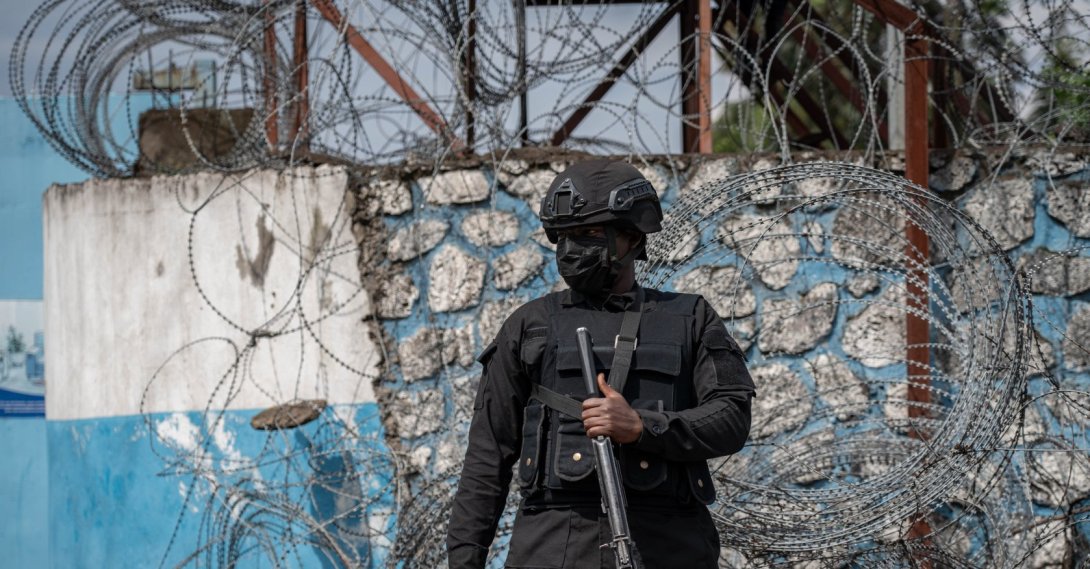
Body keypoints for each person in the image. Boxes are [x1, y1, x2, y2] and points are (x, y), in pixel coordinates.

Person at [447, 159, 756, 569]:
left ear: (632, 236)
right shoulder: (529, 326)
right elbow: (487, 459)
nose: (571, 250)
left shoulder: (690, 318)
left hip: (669, 548)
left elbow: (732, 417)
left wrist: (643, 427)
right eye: (563, 237)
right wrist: (464, 561)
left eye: (589, 234)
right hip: (553, 550)